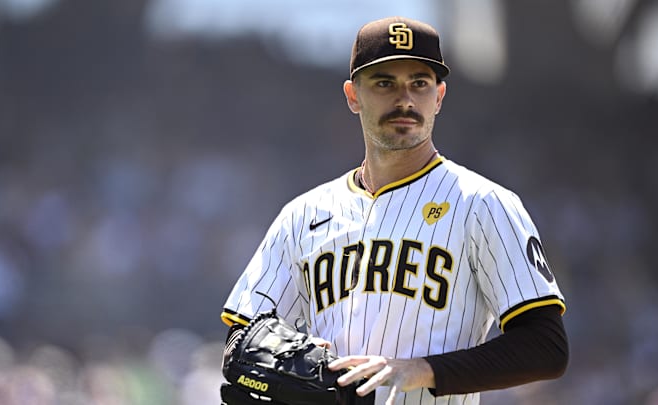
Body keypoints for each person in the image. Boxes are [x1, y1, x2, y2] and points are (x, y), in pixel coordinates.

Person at [220, 16, 568, 404]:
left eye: (419, 83)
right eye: (384, 83)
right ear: (353, 96)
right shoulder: (303, 215)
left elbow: (546, 347)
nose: (405, 99)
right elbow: (244, 337)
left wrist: (424, 369)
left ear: (438, 96)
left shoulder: (484, 204)